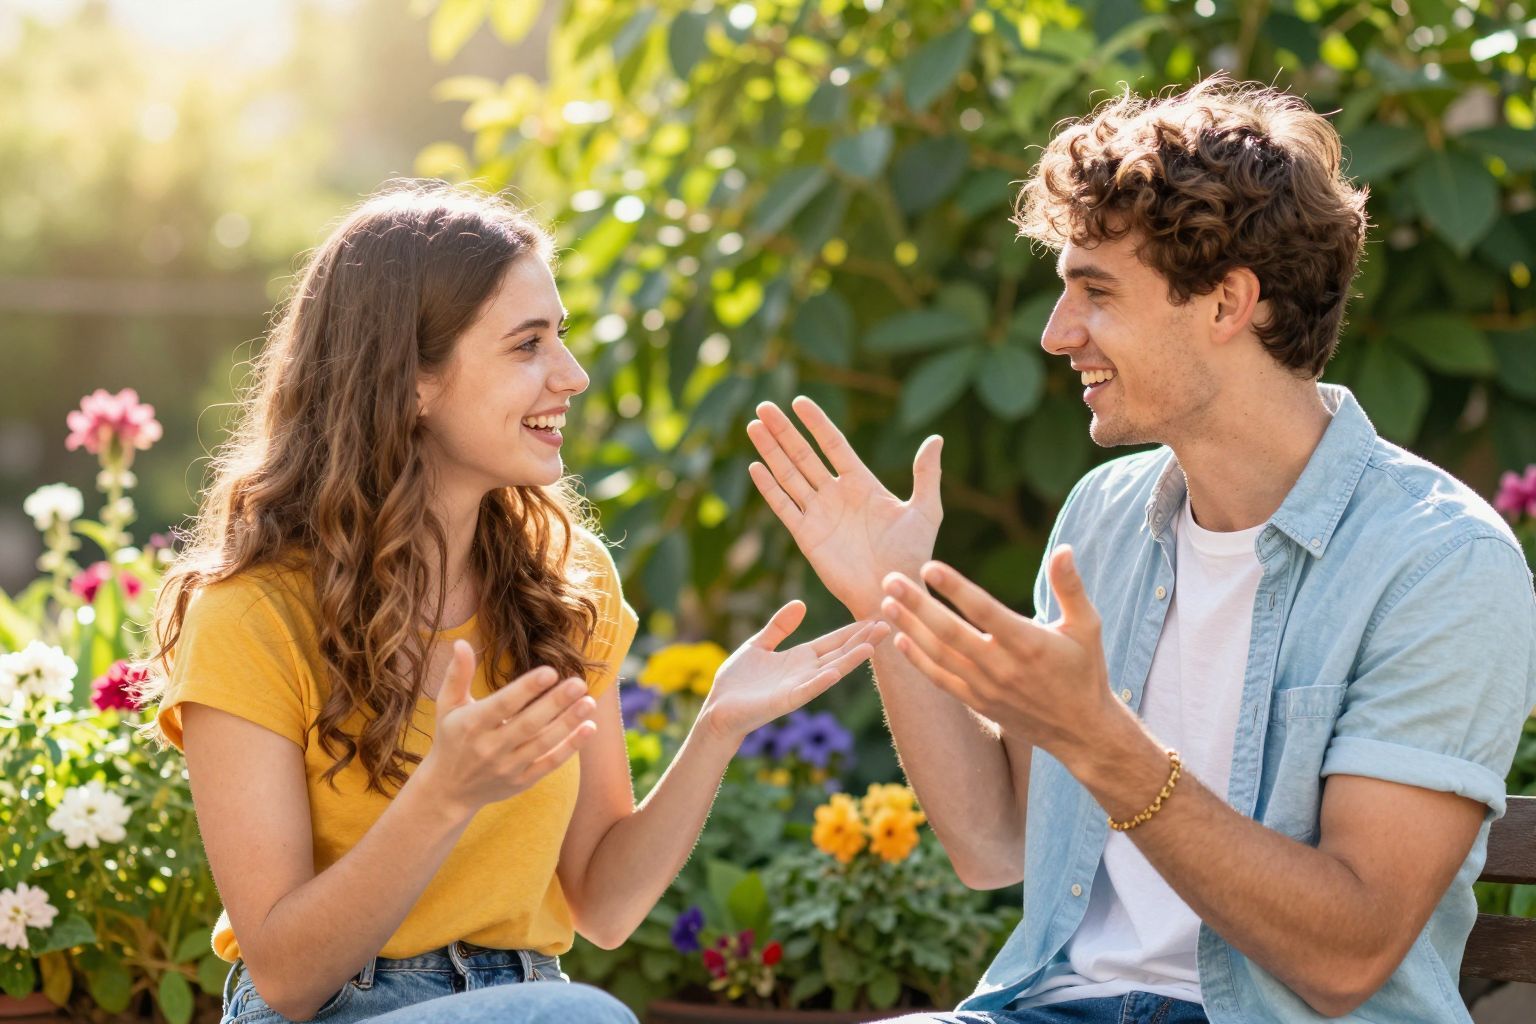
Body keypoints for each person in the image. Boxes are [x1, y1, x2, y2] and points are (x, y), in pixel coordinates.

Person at [746, 76, 1536, 1023]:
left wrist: (1105, 745)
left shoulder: (1439, 563)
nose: (1054, 333)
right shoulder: (1105, 518)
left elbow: (1348, 956)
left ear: (1226, 304)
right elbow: (993, 844)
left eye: (1096, 292)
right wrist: (891, 599)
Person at [139, 181, 886, 1024]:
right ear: (411, 380)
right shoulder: (253, 614)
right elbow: (283, 973)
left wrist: (716, 729)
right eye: (528, 344)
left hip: (532, 1000)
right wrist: (445, 795)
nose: (572, 374)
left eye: (559, 338)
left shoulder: (567, 584)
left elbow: (602, 903)